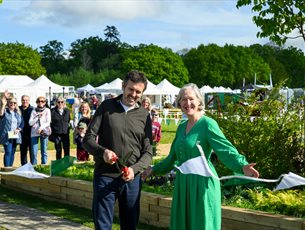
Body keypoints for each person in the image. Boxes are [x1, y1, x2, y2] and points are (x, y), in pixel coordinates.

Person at [142, 83, 259, 230]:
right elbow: (172, 158)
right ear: (179, 103)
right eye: (183, 99)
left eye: (191, 99)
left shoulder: (208, 124)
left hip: (202, 184)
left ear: (199, 102)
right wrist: (153, 169)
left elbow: (225, 150)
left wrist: (242, 165)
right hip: (183, 184)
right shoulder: (181, 127)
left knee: (202, 224)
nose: (187, 103)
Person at [82, 70, 153, 230]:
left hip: (131, 179)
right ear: (123, 86)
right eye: (131, 89)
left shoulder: (144, 115)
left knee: (129, 225)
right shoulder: (106, 107)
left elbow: (148, 152)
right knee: (102, 225)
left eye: (138, 92)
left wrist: (134, 170)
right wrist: (103, 152)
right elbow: (88, 139)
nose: (133, 94)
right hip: (105, 175)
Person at [0, 91, 24, 167]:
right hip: (6, 135)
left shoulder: (18, 112)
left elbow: (22, 122)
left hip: (15, 134)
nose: (12, 104)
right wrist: (3, 104)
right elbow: (1, 114)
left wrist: (19, 128)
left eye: (14, 103)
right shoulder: (5, 111)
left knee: (13, 152)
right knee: (8, 152)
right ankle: (7, 169)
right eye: (11, 103)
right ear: (8, 103)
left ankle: (10, 168)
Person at [29, 96, 51, 165]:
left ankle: (43, 166)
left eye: (42, 101)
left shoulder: (47, 110)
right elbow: (30, 123)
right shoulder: (33, 110)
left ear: (45, 102)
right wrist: (37, 117)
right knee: (34, 151)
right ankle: (34, 167)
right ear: (37, 102)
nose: (40, 102)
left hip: (44, 132)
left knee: (44, 151)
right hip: (34, 133)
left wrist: (41, 128)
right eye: (39, 101)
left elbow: (48, 122)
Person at [19, 95, 34, 165]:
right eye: (23, 100)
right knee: (23, 152)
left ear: (29, 101)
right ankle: (24, 166)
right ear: (21, 101)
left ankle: (32, 166)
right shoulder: (18, 109)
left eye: (26, 100)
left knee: (32, 151)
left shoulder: (33, 109)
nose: (25, 102)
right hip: (21, 134)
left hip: (31, 133)